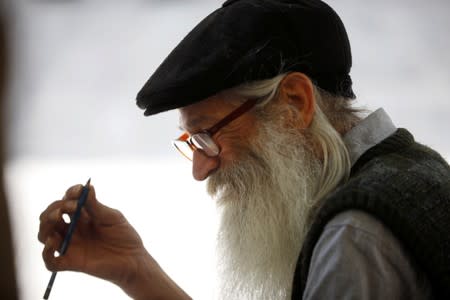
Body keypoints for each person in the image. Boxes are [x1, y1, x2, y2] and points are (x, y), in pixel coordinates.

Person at [38, 0, 450, 299]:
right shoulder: (408, 171)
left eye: (205, 135)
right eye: (192, 143)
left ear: (294, 104)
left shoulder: (356, 237)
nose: (200, 170)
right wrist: (134, 269)